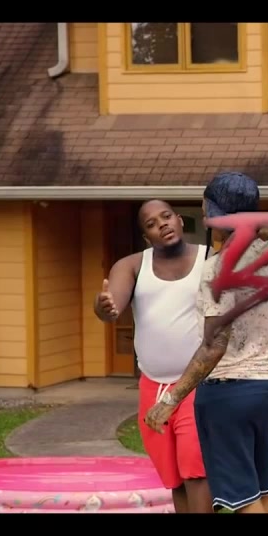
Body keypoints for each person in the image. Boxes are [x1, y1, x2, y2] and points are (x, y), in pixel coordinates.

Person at [145, 172, 268, 514]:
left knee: (243, 499)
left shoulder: (217, 269)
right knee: (262, 487)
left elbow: (214, 345)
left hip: (230, 393)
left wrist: (171, 398)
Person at [93, 199, 212, 513]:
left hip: (196, 386)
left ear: (180, 220)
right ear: (147, 238)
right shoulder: (132, 266)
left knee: (196, 473)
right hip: (152, 387)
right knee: (174, 478)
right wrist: (103, 306)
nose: (162, 224)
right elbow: (111, 307)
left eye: (166, 216)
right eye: (151, 224)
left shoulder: (209, 259)